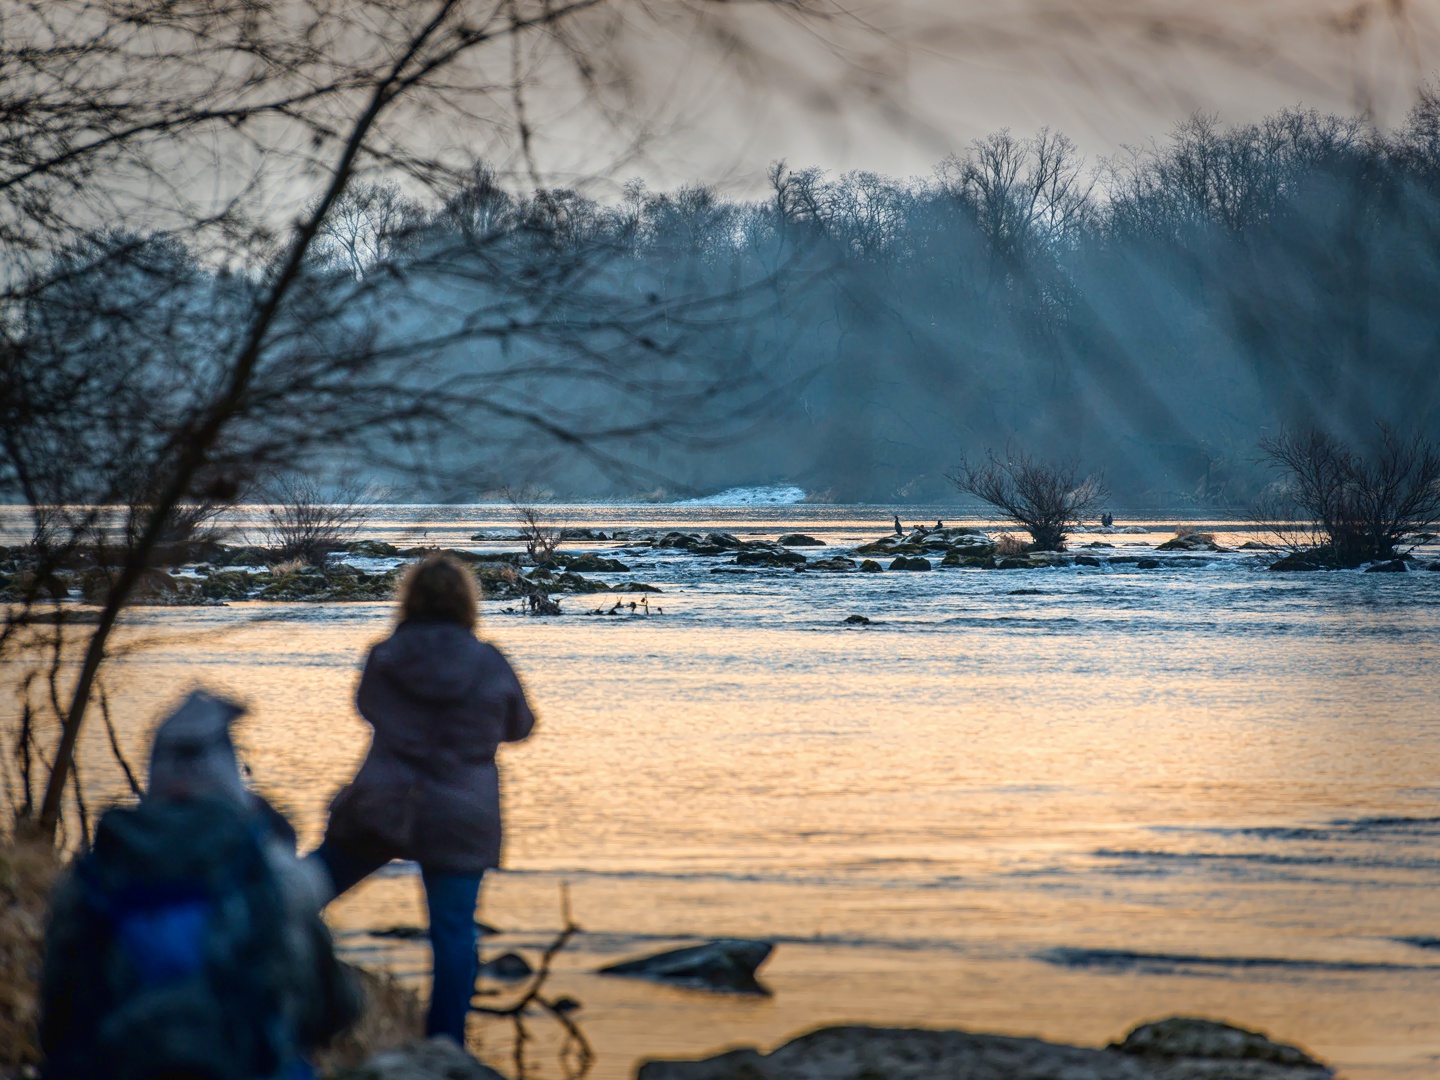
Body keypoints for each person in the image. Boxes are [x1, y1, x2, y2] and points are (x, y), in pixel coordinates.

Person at [41, 690, 356, 1080]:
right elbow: (335, 1010)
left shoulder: (89, 876)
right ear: (228, 775)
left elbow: (56, 1018)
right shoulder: (276, 874)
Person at [310, 554, 536, 1047]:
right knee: (454, 934)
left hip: (386, 801)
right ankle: (445, 1047)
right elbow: (521, 727)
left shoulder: (386, 656)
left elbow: (366, 707)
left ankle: (297, 1009)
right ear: (466, 603)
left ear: (408, 599)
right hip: (461, 810)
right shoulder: (488, 660)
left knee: (299, 895)